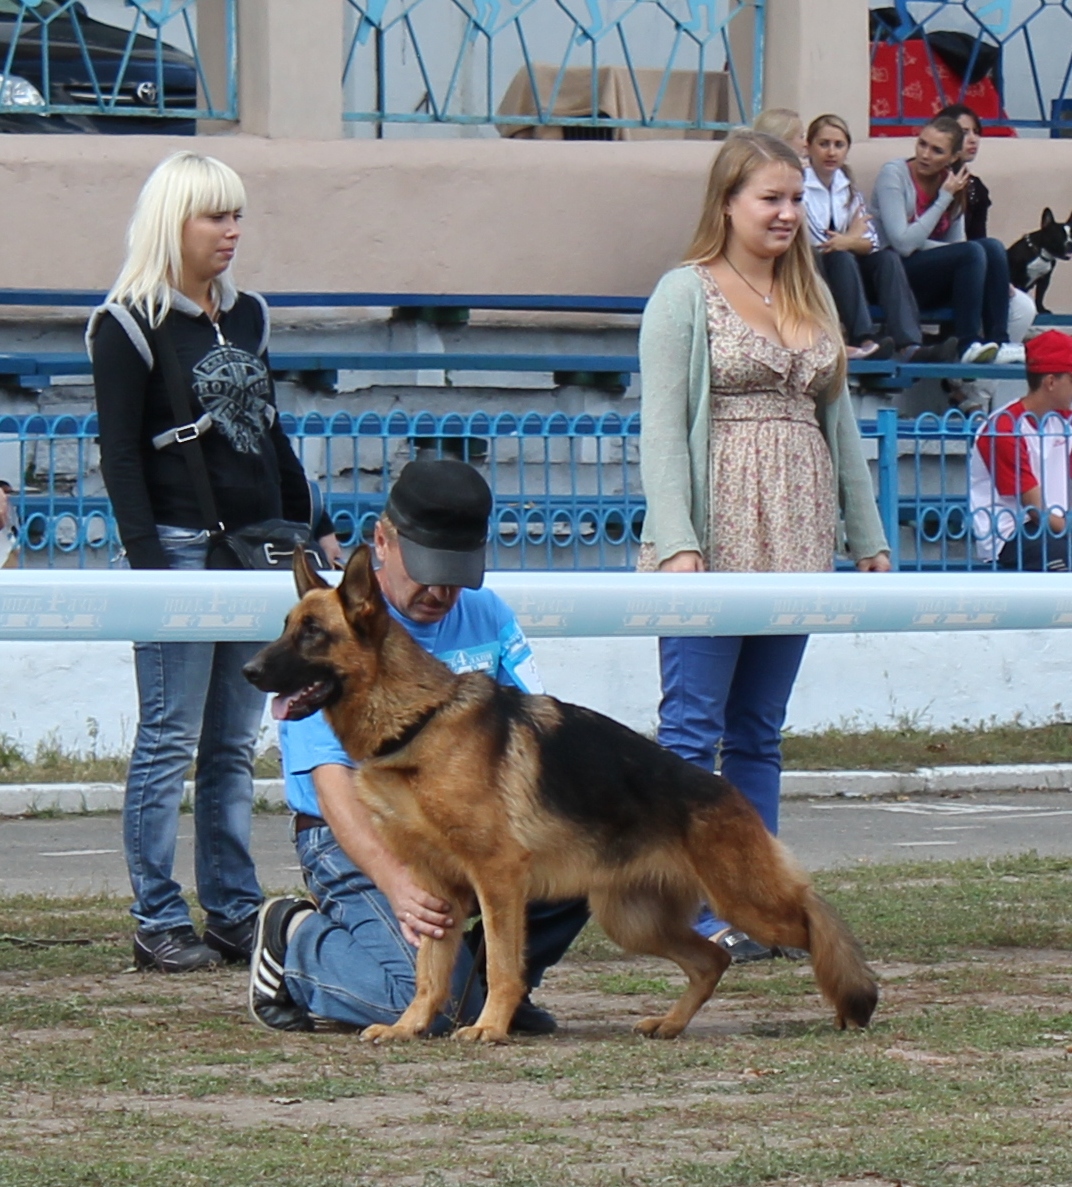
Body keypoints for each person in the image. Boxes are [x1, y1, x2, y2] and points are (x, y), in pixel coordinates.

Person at [637, 130, 891, 963]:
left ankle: (762, 906)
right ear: (727, 205)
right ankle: (688, 908)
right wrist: (678, 541)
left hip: (798, 534)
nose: (787, 214)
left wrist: (869, 536)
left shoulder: (811, 292)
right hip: (714, 533)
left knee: (758, 729)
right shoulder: (685, 292)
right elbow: (663, 428)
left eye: (795, 199)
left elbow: (840, 422)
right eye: (770, 199)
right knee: (692, 728)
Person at [88, 151, 341, 974]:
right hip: (179, 549)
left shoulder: (249, 316)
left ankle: (231, 907)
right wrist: (148, 568)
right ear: (175, 222)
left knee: (233, 742)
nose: (233, 231)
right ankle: (156, 912)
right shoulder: (126, 323)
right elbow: (121, 455)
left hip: (253, 547)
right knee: (168, 737)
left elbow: (267, 432)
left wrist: (312, 526)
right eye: (215, 216)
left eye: (237, 215)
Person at [249, 458, 589, 1034]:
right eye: (428, 568)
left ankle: (491, 989)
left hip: (469, 830)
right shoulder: (336, 632)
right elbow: (332, 786)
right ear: (383, 541)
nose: (441, 590)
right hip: (365, 834)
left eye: (456, 571)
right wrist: (398, 884)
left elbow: (536, 738)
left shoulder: (488, 614)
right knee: (405, 1004)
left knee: (587, 852)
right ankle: (294, 941)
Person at [803, 112, 956, 364]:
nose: (831, 152)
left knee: (886, 258)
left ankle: (909, 345)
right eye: (824, 144)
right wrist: (852, 238)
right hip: (815, 270)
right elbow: (822, 241)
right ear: (809, 147)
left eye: (839, 145)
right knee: (841, 257)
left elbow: (872, 240)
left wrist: (850, 240)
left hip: (846, 269)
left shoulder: (847, 187)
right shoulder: (800, 185)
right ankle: (862, 339)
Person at [870, 115, 1017, 365]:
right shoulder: (893, 174)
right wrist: (942, 200)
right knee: (974, 252)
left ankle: (999, 342)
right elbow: (902, 244)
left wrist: (968, 254)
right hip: (895, 276)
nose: (925, 155)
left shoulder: (952, 182)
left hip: (932, 277)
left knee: (991, 248)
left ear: (952, 157)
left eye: (937, 150)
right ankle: (967, 343)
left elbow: (954, 247)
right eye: (922, 144)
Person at [970, 329, 1072, 571]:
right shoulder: (1003, 427)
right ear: (1051, 382)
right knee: (1058, 553)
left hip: (1056, 524)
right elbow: (1035, 510)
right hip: (1009, 533)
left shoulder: (1065, 420)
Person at [937, 102, 1036, 350]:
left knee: (1023, 307)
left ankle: (988, 366)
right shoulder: (932, 179)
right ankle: (969, 381)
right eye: (964, 132)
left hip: (973, 264)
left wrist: (1000, 279)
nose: (972, 139)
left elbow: (979, 239)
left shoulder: (975, 187)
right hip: (940, 267)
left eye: (976, 132)